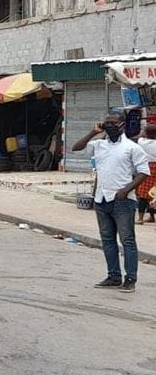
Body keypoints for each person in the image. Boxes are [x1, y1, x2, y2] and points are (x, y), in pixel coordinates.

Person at [72, 112, 149, 293]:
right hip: (101, 199)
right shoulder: (99, 145)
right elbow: (76, 148)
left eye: (114, 123)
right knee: (107, 240)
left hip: (123, 201)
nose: (110, 126)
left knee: (127, 240)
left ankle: (130, 278)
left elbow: (144, 172)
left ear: (122, 125)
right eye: (107, 123)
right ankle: (113, 276)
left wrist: (126, 189)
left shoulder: (132, 147)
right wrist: (93, 133)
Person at [136, 124, 156, 225]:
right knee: (153, 194)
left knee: (143, 195)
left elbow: (139, 137)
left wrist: (142, 133)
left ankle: (140, 218)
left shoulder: (142, 142)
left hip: (146, 168)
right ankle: (152, 216)